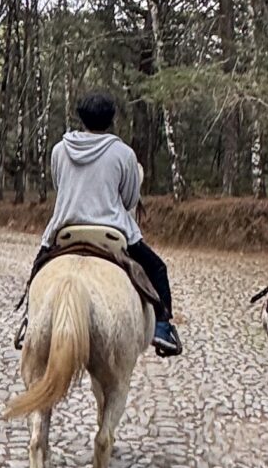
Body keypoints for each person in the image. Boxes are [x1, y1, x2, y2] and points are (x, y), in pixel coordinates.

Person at [26, 90, 183, 357]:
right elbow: (130, 198)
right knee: (157, 269)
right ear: (111, 120)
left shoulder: (59, 150)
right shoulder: (124, 154)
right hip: (110, 234)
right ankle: (162, 327)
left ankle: (30, 323)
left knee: (37, 270)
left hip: (66, 231)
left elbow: (59, 185)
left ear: (81, 118)